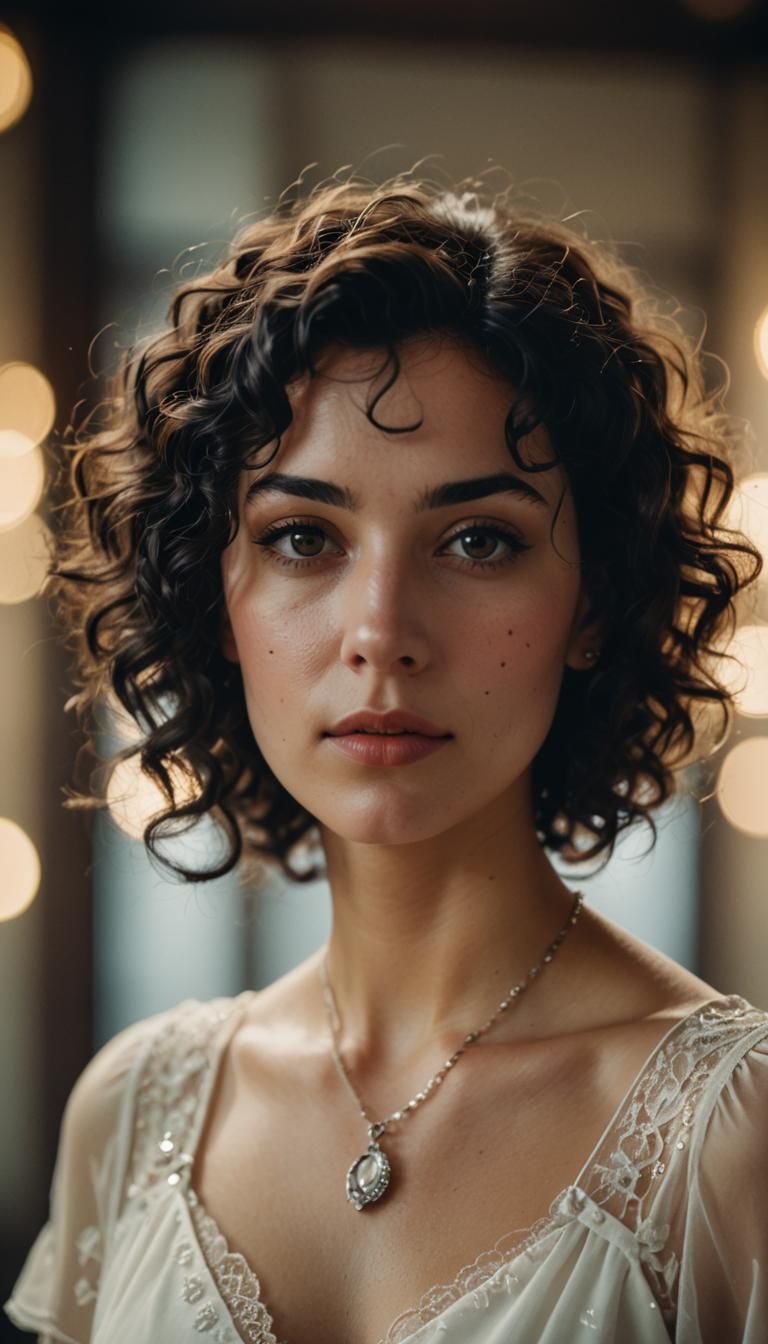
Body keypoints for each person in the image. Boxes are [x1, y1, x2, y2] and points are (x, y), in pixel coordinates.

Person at [4, 169, 767, 1344]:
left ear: (598, 602)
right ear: (217, 596)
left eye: (477, 539)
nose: (379, 634)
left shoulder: (732, 1138)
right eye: (304, 537)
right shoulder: (136, 1109)